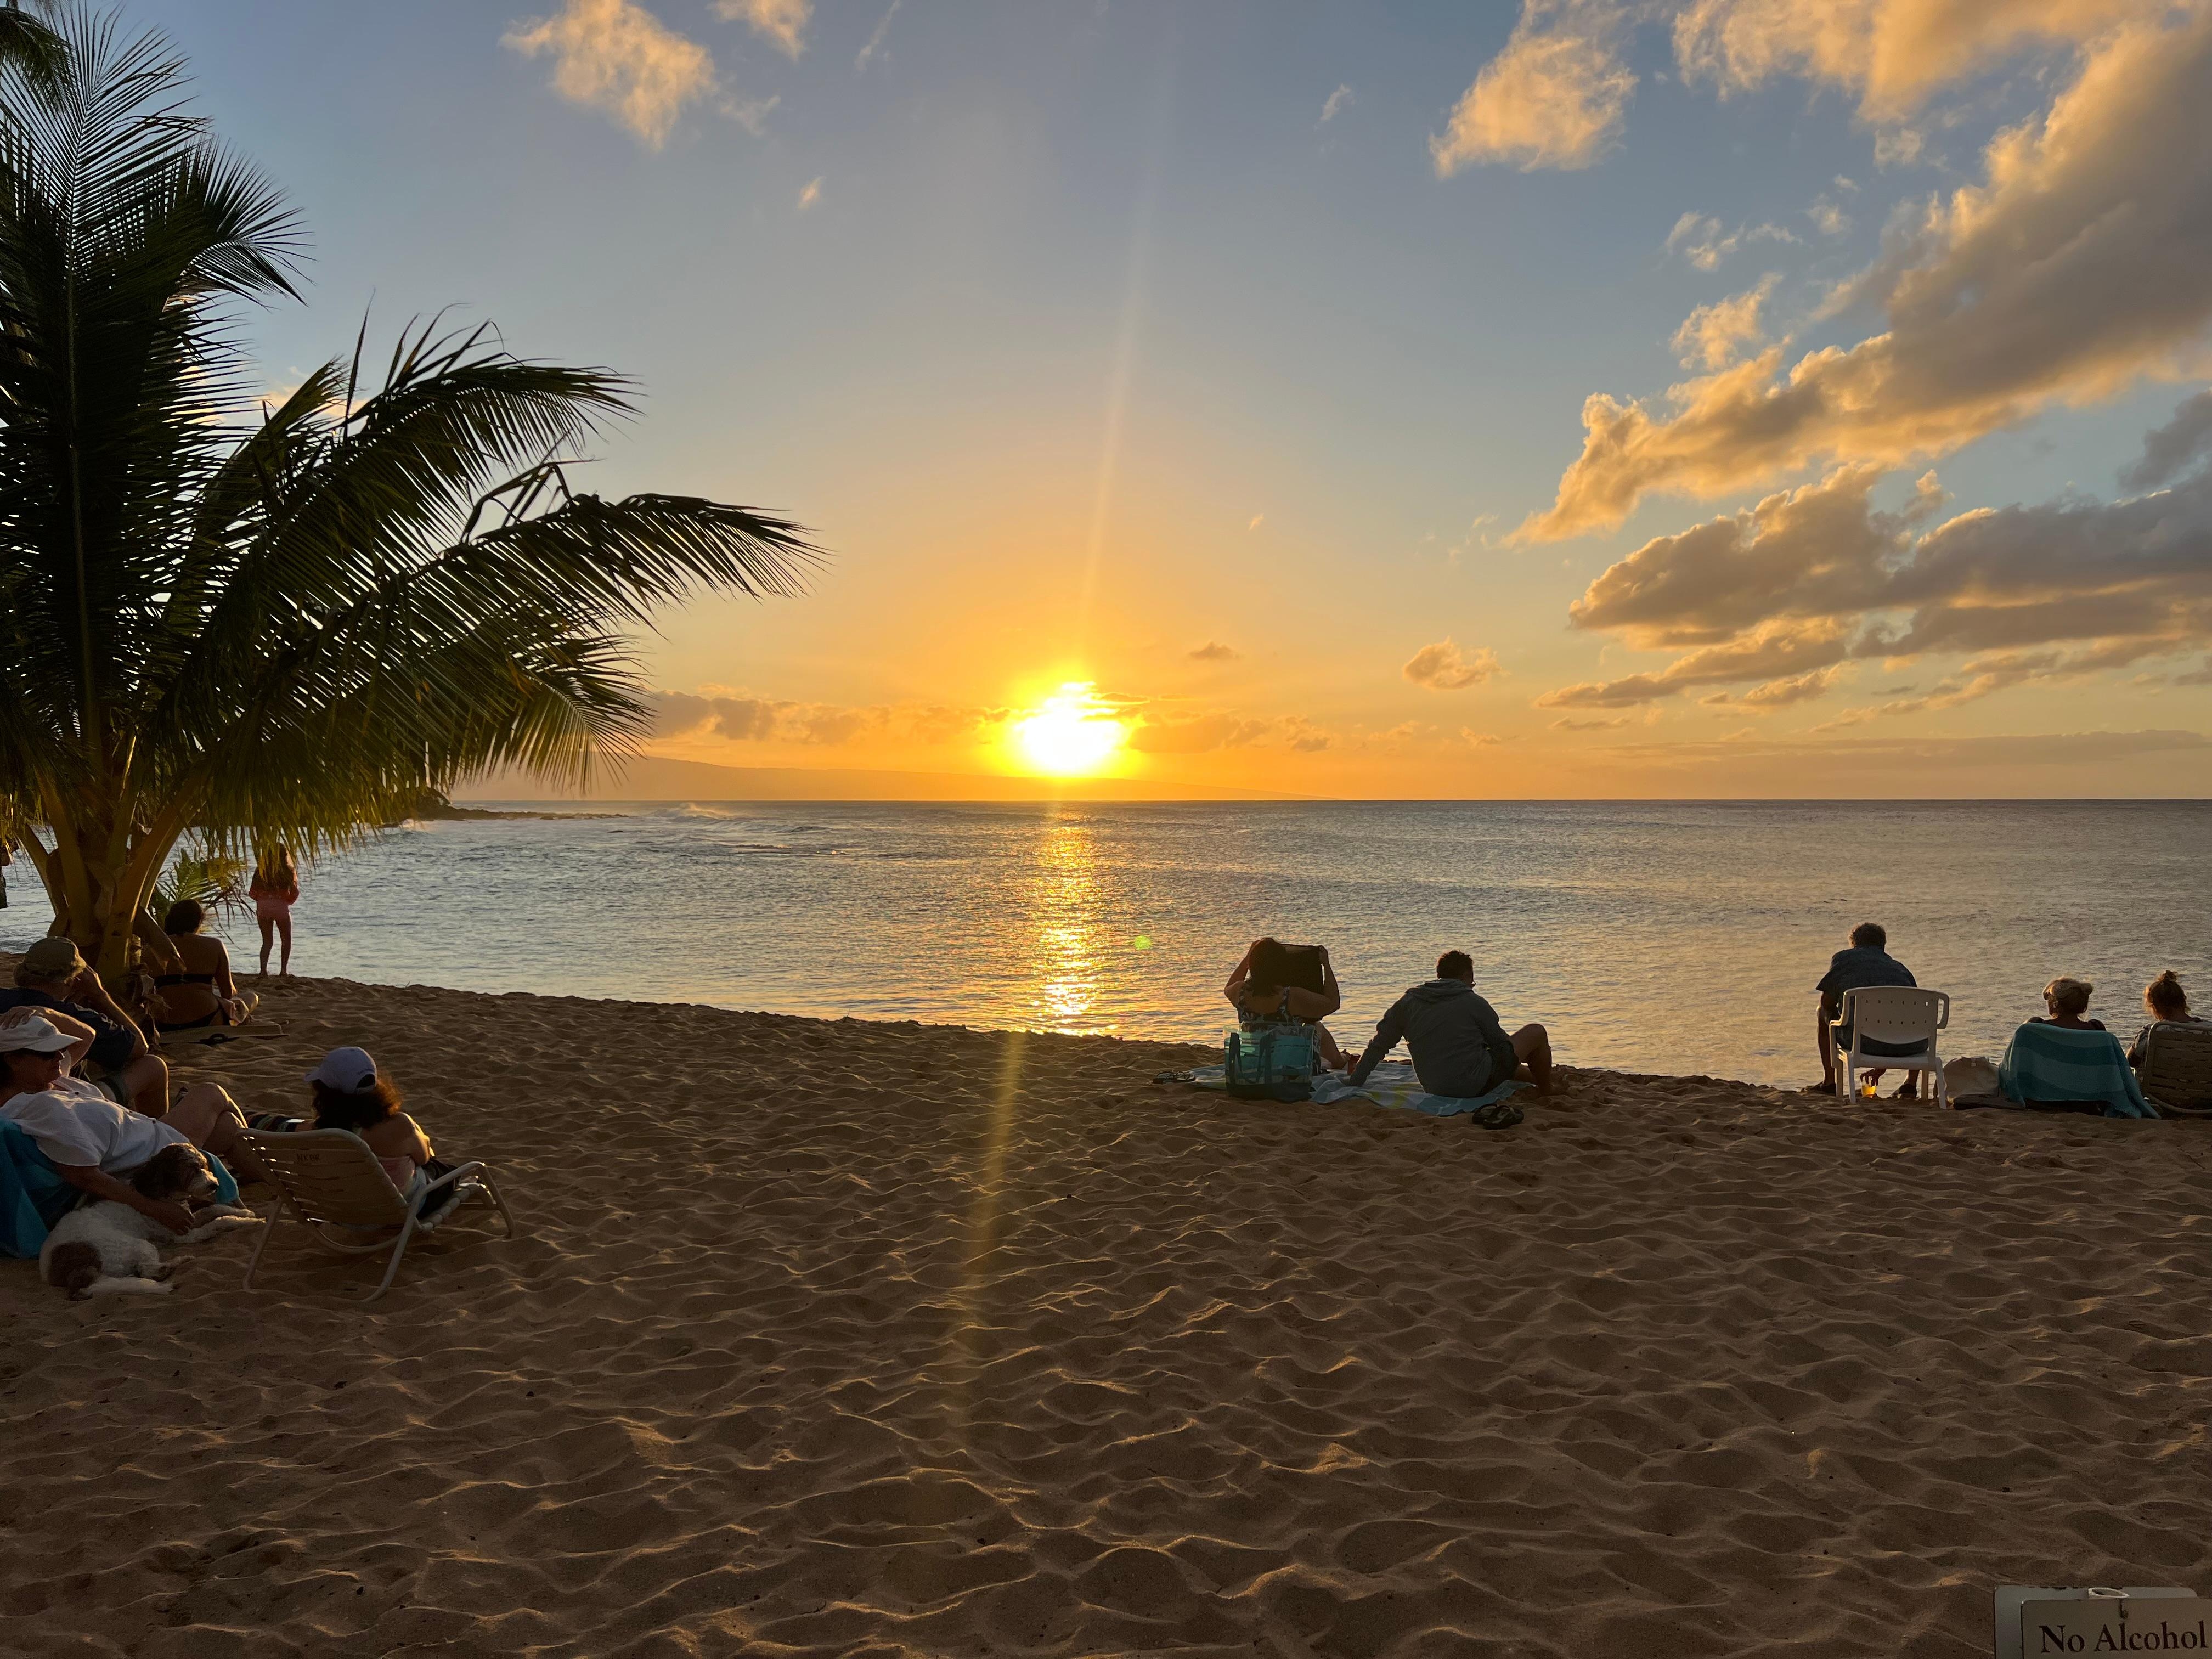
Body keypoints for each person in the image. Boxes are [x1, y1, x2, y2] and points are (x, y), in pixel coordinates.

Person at [0, 1009, 263, 1229]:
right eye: (48, 1053)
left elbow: (86, 1035)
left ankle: (267, 1175)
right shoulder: (43, 1109)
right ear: (13, 1061)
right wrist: (157, 1209)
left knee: (228, 1126)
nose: (60, 1056)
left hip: (152, 1138)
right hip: (159, 1158)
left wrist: (44, 1012)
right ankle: (272, 1168)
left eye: (60, 1048)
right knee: (212, 1093)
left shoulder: (46, 1081)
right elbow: (86, 1177)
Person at [0, 936, 168, 1116]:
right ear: (72, 980)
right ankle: (156, 1127)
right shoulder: (74, 1016)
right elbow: (139, 1047)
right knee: (154, 1066)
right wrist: (101, 995)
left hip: (15, 1093)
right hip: (64, 1101)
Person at [1348, 950, 1551, 1098]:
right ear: (1465, 977)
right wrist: (1529, 1054)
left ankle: (1537, 1078)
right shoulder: (1472, 1002)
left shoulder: (1408, 1002)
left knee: (1486, 1056)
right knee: (1536, 1032)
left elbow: (1378, 1046)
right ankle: (1547, 1089)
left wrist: (1356, 1081)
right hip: (1470, 1087)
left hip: (1434, 1088)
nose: (1472, 986)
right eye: (1472, 982)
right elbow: (1502, 1045)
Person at [306, 1046, 462, 1219]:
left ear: (324, 1091)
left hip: (346, 1214)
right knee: (444, 1170)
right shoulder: (397, 1126)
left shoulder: (317, 1132)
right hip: (403, 1210)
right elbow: (424, 1158)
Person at [1815, 921, 1921, 1096]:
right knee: (1915, 1021)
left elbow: (1827, 1004)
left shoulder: (1843, 960)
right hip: (1909, 1044)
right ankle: (1910, 1084)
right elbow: (1901, 1019)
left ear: (1854, 944)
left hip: (1860, 1041)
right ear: (1883, 945)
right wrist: (1881, 1065)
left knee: (1822, 1012)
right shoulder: (1901, 970)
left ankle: (1829, 1081)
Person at [1223, 937, 1350, 1070]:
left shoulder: (1239, 992)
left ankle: (1337, 1060)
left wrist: (1249, 956)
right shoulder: (1291, 997)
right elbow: (1333, 1003)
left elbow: (1229, 986)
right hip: (1291, 1070)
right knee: (1316, 1026)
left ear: (1252, 964)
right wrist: (1326, 965)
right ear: (1283, 966)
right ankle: (1339, 1061)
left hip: (1255, 1065)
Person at [151, 900, 260, 1029]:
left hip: (164, 1022)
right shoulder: (215, 945)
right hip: (207, 1018)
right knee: (252, 997)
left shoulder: (152, 948)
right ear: (199, 922)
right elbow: (227, 993)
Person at [2128, 970, 2205, 1068]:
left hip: (2159, 1078)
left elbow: (2128, 1064)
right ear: (2183, 1002)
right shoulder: (2208, 1030)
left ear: (2155, 1007)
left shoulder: (2151, 1033)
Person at [250, 847, 299, 978]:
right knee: (286, 939)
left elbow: (252, 893)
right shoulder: (288, 871)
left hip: (263, 907)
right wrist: (286, 901)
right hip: (280, 907)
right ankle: (283, 971)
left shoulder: (260, 871)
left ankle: (263, 971)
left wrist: (263, 900)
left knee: (267, 941)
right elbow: (294, 892)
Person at [2030, 976, 2104, 1031]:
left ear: (2055, 1004)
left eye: (2049, 997)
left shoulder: (2036, 1026)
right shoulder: (2096, 1028)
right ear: (2084, 1005)